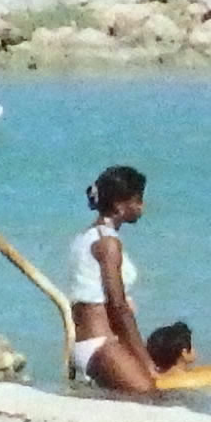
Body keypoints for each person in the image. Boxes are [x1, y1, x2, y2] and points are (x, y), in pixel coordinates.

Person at [67, 163, 162, 397]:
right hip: (100, 342)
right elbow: (117, 306)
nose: (141, 206)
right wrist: (145, 360)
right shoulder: (108, 243)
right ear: (120, 205)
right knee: (148, 394)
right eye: (138, 200)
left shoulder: (85, 236)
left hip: (88, 341)